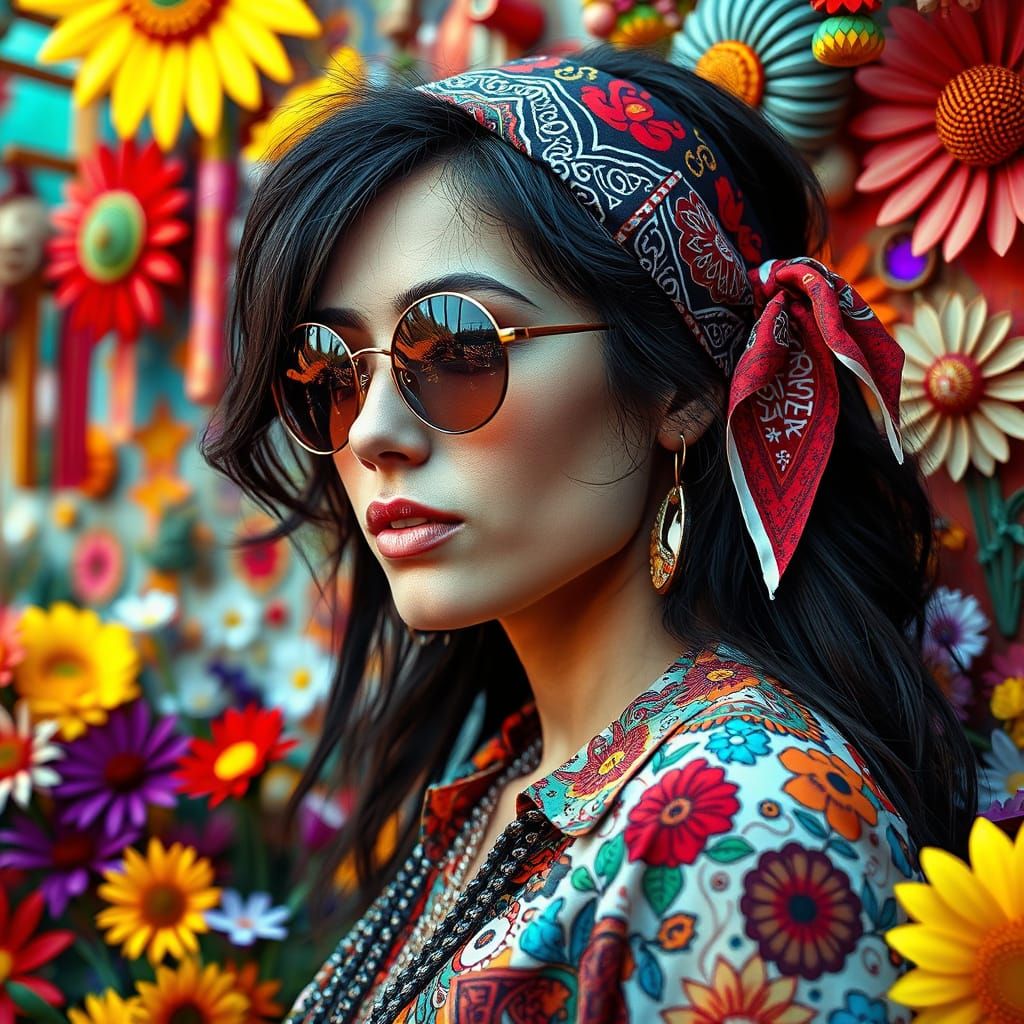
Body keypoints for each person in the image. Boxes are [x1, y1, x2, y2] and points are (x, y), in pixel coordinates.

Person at [201, 41, 978, 1024]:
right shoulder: (519, 778)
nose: (371, 433)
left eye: (455, 347)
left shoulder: (743, 816)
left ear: (682, 389)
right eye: (330, 367)